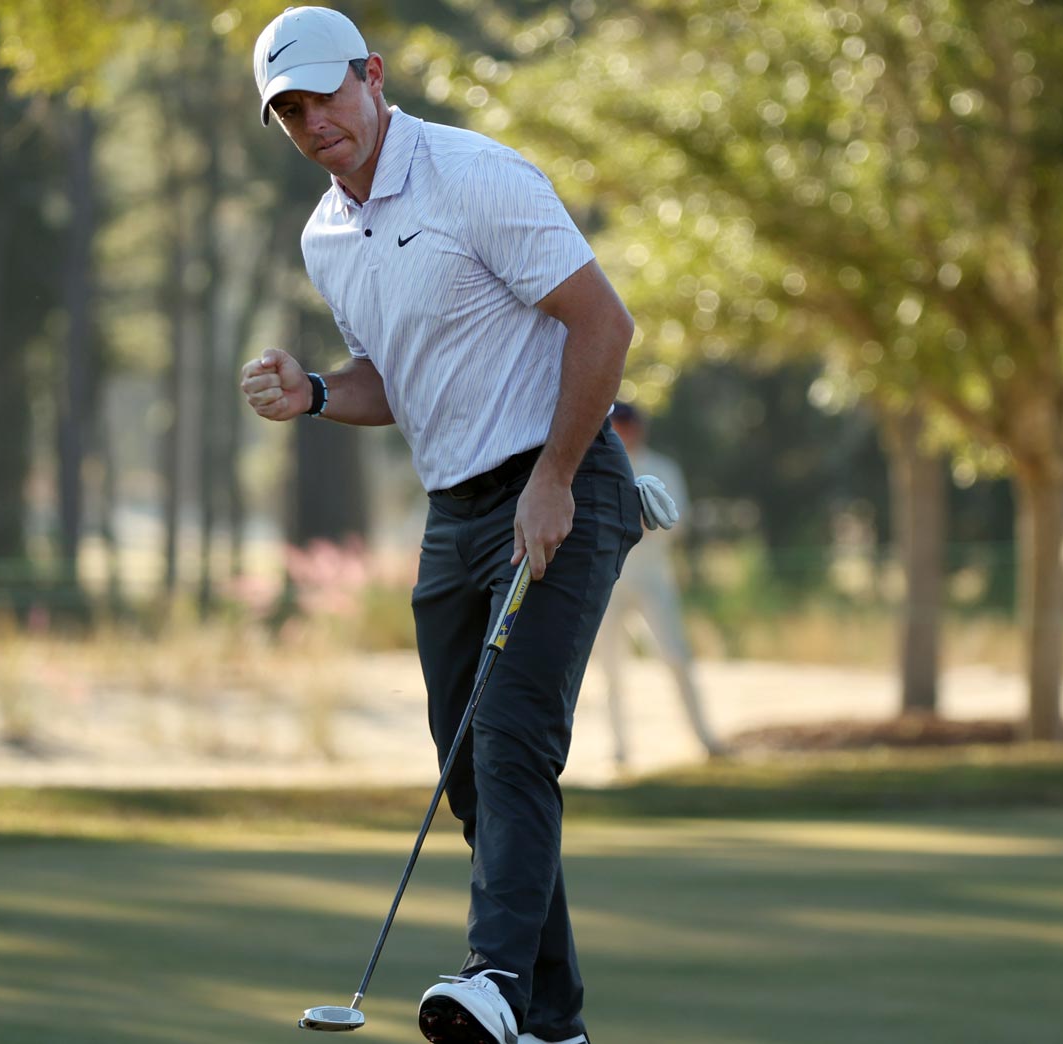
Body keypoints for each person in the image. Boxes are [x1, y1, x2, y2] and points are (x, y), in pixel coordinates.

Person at [238, 9, 639, 1044]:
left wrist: (553, 479)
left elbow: (602, 323)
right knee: (468, 773)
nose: (311, 119)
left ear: (373, 75)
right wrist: (318, 392)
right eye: (288, 109)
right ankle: (550, 1020)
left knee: (510, 741)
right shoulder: (325, 236)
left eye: (325, 93)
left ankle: (494, 981)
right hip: (454, 508)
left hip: (560, 484)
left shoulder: (472, 176)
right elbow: (394, 380)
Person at [595, 403, 727, 768]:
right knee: (610, 668)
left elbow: (676, 523)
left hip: (653, 581)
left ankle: (703, 737)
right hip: (607, 581)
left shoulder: (662, 468)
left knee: (675, 657)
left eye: (628, 425)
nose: (624, 432)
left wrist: (638, 519)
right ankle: (619, 748)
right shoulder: (596, 467)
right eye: (616, 425)